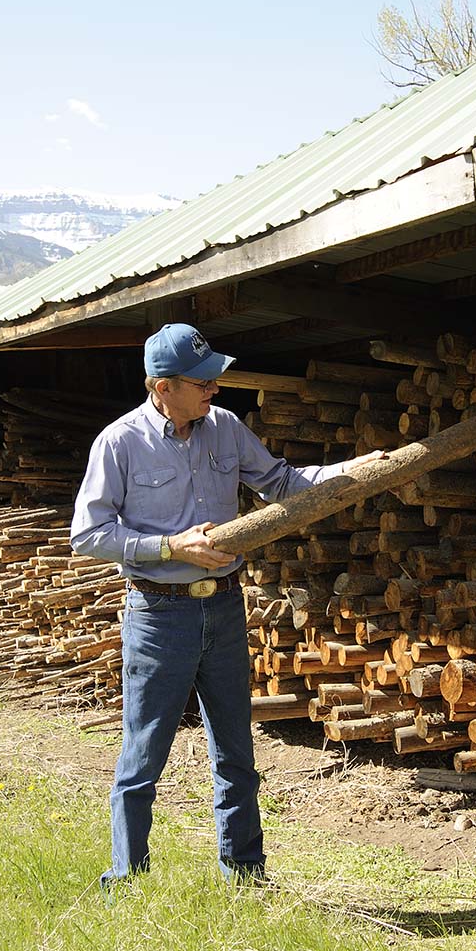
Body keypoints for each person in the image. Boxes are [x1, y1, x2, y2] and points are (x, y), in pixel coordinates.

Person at [71, 323, 383, 888]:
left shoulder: (227, 429)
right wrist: (170, 545)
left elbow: (282, 483)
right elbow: (88, 534)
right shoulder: (118, 442)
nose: (215, 388)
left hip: (222, 609)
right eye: (201, 381)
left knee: (236, 752)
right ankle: (128, 879)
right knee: (143, 757)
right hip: (158, 614)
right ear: (161, 386)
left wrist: (352, 472)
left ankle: (245, 876)